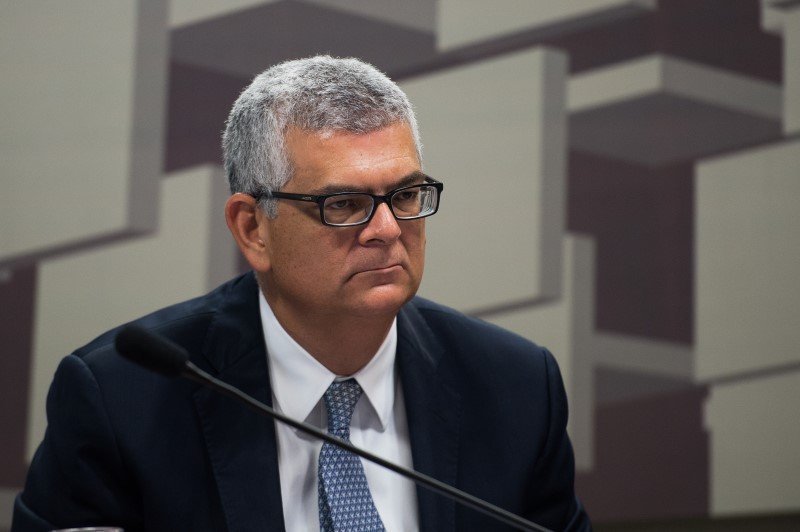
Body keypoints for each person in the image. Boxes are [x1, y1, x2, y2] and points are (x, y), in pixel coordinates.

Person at [13, 56, 591, 531]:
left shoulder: (515, 389)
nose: (388, 229)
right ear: (252, 228)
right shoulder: (122, 400)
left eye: (406, 195)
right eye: (343, 204)